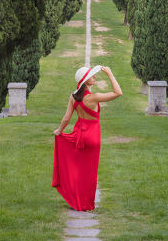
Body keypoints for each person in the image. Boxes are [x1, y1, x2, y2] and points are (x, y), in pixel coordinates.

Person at [52, 65, 122, 211]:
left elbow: (66, 118)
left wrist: (59, 131)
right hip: (92, 136)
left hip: (79, 134)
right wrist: (109, 73)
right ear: (85, 81)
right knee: (89, 173)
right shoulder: (93, 98)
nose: (94, 77)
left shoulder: (73, 97)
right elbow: (118, 92)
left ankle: (77, 199)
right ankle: (85, 203)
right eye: (92, 76)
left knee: (78, 169)